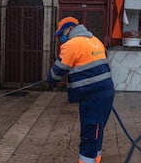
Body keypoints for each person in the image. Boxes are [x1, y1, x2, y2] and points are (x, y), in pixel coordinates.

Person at [47, 16, 115, 163]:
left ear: (69, 29)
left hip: (93, 97)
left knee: (89, 134)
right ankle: (95, 159)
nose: (61, 38)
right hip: (107, 93)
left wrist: (49, 80)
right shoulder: (95, 40)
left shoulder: (71, 45)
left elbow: (57, 72)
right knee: (97, 131)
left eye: (61, 34)